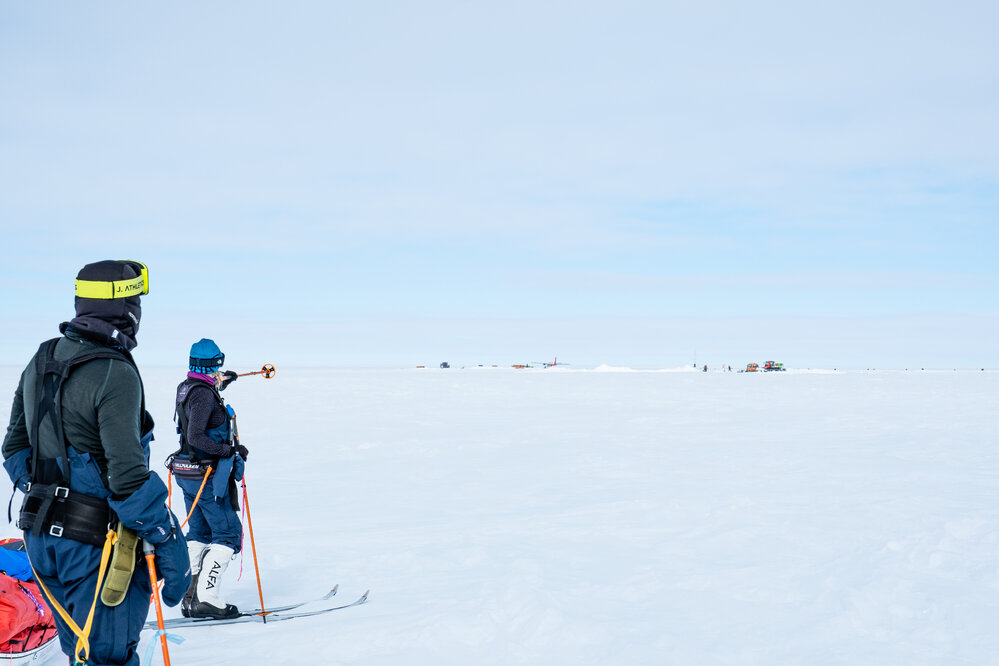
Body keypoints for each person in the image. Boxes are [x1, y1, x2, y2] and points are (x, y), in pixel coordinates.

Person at [2, 260, 190, 666]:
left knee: (82, 653)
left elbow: (14, 447)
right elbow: (126, 476)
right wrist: (166, 534)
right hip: (96, 548)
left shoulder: (42, 357)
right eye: (136, 300)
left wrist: (48, 492)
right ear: (124, 309)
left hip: (40, 539)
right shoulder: (114, 372)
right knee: (106, 658)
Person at [169, 338, 248, 619]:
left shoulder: (188, 387)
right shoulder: (203, 395)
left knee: (201, 534)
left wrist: (227, 380)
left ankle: (189, 599)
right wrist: (230, 450)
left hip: (188, 474)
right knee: (227, 533)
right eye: (218, 367)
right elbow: (197, 436)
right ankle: (207, 598)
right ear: (213, 364)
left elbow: (208, 390)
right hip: (206, 477)